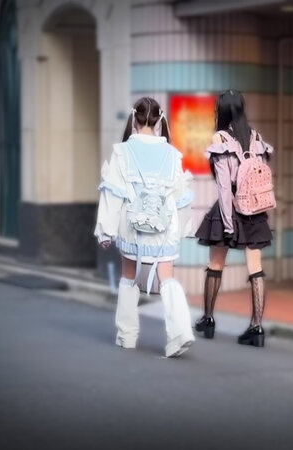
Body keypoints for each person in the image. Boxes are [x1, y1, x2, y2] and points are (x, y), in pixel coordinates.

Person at [94, 97, 196, 358]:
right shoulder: (172, 154)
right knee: (167, 277)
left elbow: (113, 193)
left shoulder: (122, 152)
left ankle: (127, 336)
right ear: (160, 120)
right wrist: (182, 228)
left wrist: (106, 230)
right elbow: (180, 197)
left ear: (134, 119)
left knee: (129, 276)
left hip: (133, 226)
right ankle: (180, 333)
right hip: (164, 227)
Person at [194, 90, 273, 347]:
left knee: (216, 264)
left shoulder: (221, 138)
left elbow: (225, 187)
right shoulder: (256, 137)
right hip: (255, 210)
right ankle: (257, 327)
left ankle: (208, 319)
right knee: (256, 268)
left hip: (230, 208)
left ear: (222, 110)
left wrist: (228, 224)